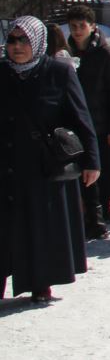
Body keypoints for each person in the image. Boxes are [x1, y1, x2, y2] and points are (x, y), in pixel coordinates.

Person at [0, 16, 101, 302]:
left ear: (37, 41)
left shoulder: (58, 71)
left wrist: (92, 160)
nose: (17, 46)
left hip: (42, 167)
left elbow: (81, 117)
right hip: (4, 165)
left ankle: (40, 283)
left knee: (39, 227)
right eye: (12, 40)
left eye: (24, 40)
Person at [65, 5, 110, 245]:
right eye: (73, 26)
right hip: (75, 128)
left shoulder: (106, 54)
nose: (78, 31)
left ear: (92, 26)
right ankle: (92, 222)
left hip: (102, 128)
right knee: (83, 178)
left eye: (82, 26)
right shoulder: (66, 53)